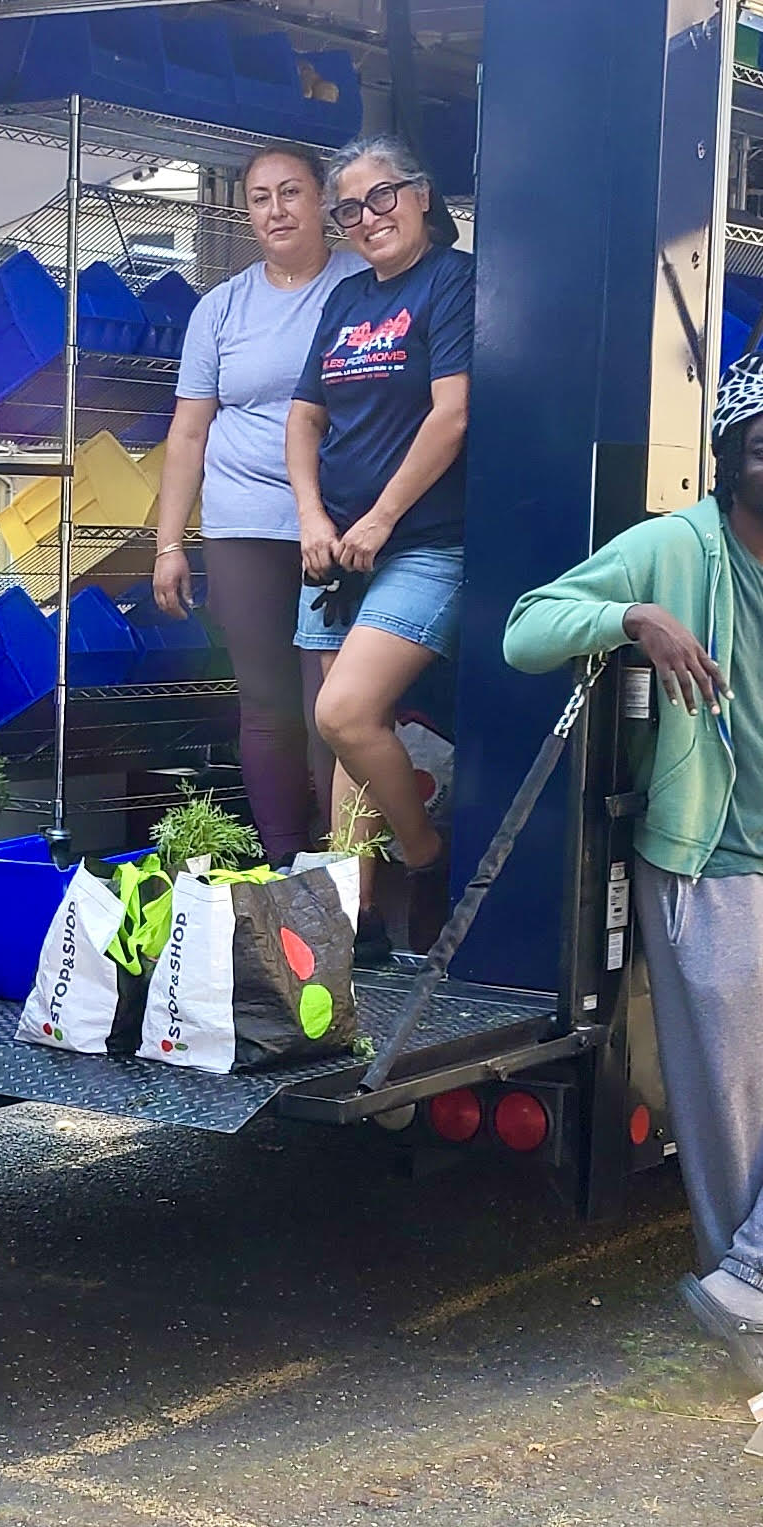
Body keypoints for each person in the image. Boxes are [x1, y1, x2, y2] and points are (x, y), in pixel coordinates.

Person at [503, 354, 763, 1389]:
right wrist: (630, 616)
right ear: (727, 460)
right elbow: (525, 629)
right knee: (735, 1113)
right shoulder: (672, 549)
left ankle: (751, 1289)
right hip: (705, 868)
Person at [286, 133, 473, 947]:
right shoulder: (347, 298)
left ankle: (427, 855)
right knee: (342, 746)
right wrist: (312, 519)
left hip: (423, 542)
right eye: (350, 209)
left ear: (423, 195)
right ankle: (351, 924)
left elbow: (453, 414)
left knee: (348, 712)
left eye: (382, 197)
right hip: (336, 552)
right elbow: (304, 418)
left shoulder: (452, 283)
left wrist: (381, 517)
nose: (368, 218)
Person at [151, 142, 356, 865]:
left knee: (332, 708)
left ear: (324, 201)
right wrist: (170, 543)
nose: (277, 209)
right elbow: (189, 429)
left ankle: (342, 875)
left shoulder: (362, 285)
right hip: (242, 525)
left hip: (339, 526)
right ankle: (281, 869)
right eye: (262, 196)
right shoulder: (221, 308)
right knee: (266, 706)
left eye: (291, 192)